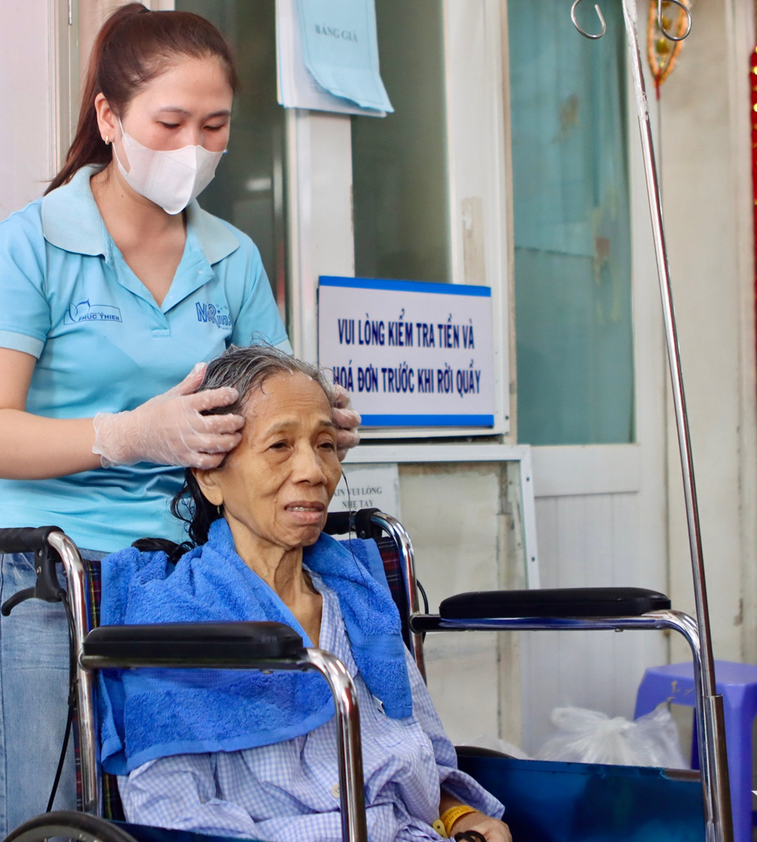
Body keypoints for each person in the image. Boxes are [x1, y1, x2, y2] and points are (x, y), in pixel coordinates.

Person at [0, 3, 360, 840]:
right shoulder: (33, 244)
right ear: (109, 117)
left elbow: (273, 398)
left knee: (194, 821)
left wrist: (318, 424)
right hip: (52, 581)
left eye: (214, 127)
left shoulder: (231, 258)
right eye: (170, 124)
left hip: (194, 582)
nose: (193, 149)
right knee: (52, 823)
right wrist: (129, 436)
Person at [100, 345, 511, 842]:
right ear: (210, 476)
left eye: (325, 445)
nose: (315, 471)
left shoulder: (357, 601)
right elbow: (173, 816)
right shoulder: (177, 617)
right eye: (279, 446)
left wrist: (461, 817)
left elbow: (421, 763)